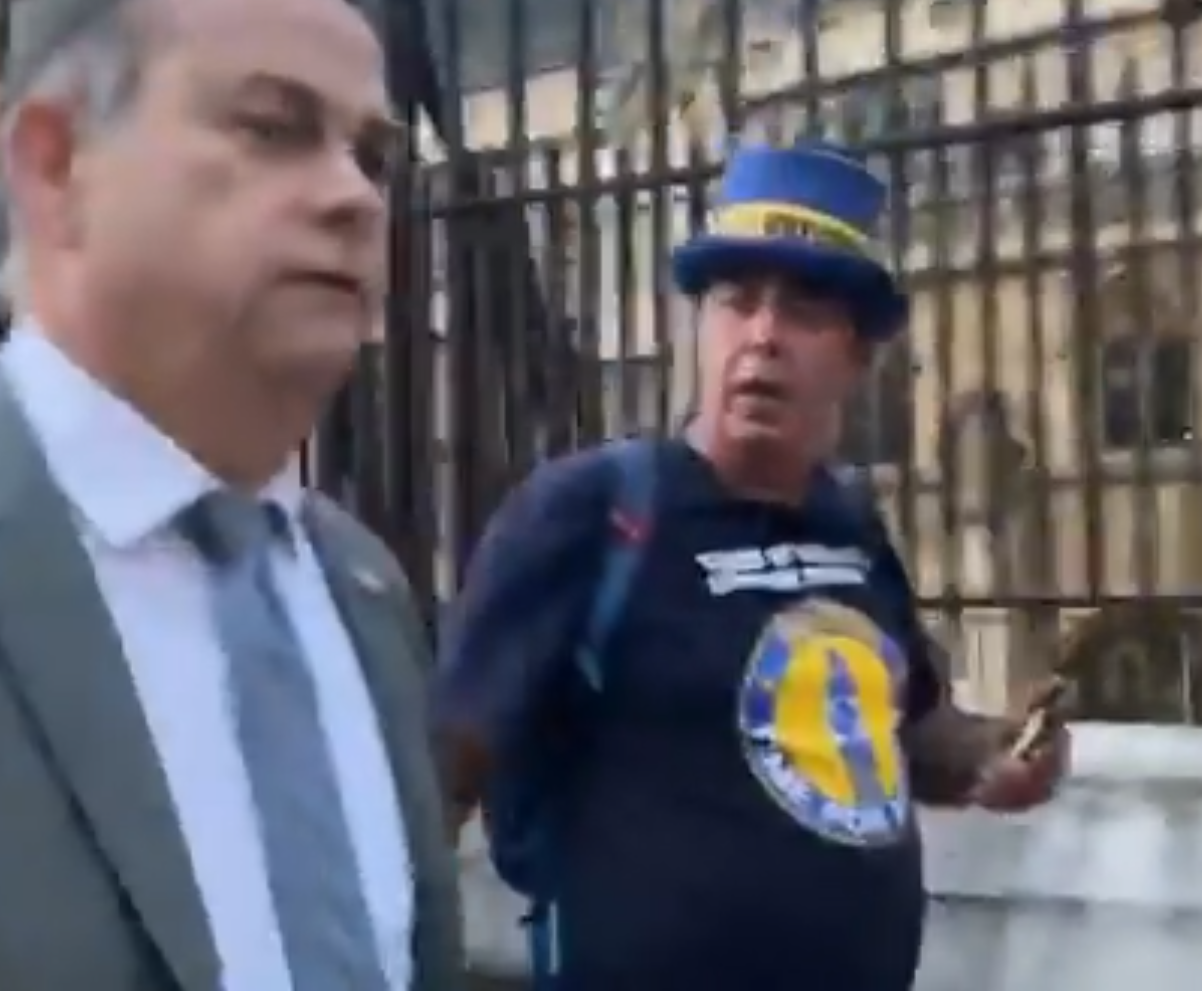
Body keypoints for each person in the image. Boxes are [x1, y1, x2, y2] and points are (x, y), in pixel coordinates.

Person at [0, 0, 460, 991]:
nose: (354, 196)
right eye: (275, 127)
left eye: (372, 156)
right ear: (57, 166)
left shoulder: (367, 598)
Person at [432, 141, 1069, 991]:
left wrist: (997, 755)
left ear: (857, 357)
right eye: (737, 302)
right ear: (700, 326)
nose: (763, 336)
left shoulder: (852, 530)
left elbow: (905, 731)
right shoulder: (590, 514)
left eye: (803, 310)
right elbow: (440, 774)